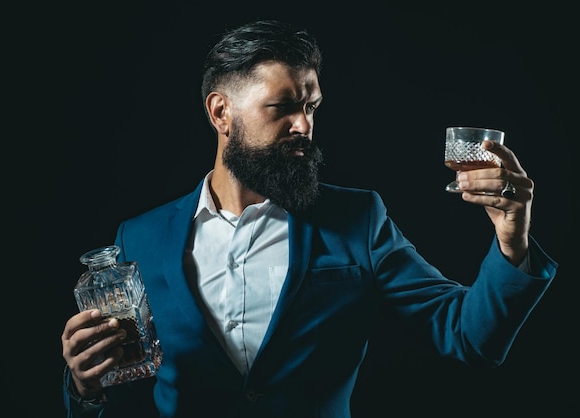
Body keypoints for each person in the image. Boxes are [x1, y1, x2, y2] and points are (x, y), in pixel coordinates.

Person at [61, 19, 558, 418]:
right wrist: (86, 386)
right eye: (282, 108)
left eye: (311, 106)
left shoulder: (359, 219)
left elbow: (468, 336)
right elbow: (120, 384)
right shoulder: (139, 239)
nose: (305, 125)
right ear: (220, 113)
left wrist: (512, 239)